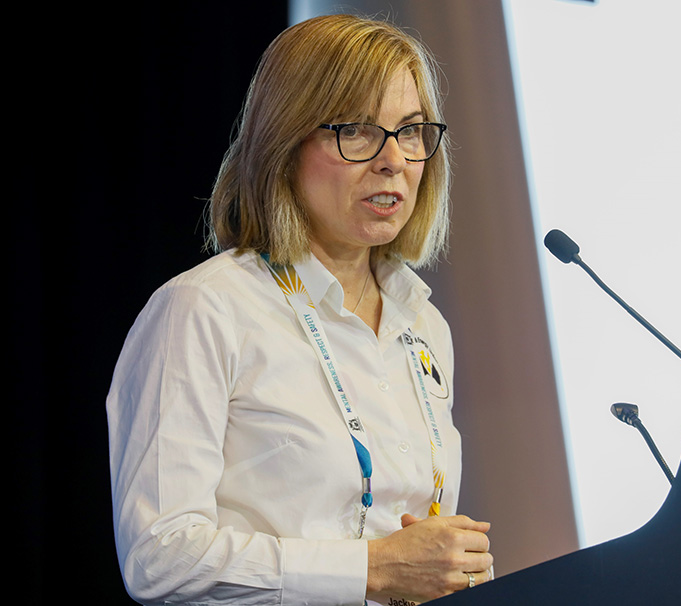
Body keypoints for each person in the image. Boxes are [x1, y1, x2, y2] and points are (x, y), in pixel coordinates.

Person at [106, 13, 494, 606]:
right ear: (286, 145)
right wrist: (368, 570)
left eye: (411, 131)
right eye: (358, 131)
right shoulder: (204, 310)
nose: (394, 160)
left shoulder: (423, 325)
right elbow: (159, 555)